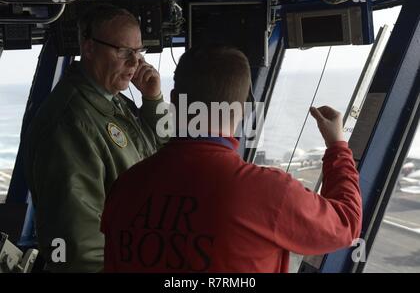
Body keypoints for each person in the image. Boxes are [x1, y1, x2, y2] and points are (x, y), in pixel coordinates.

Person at [101, 46, 362, 272]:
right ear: (243, 109)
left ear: (173, 101)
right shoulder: (268, 192)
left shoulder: (126, 184)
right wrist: (337, 145)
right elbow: (347, 223)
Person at [23, 4, 167, 272]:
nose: (135, 63)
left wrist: (153, 100)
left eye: (138, 52)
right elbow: (79, 247)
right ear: (89, 48)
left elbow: (167, 158)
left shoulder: (112, 102)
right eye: (124, 51)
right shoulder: (70, 123)